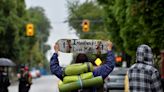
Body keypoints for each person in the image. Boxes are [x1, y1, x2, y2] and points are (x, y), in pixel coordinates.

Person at [50, 41, 115, 92]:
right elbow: (109, 65)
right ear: (87, 63)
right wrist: (109, 49)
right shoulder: (95, 74)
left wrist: (56, 53)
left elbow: (54, 68)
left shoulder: (67, 74)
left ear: (75, 63)